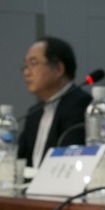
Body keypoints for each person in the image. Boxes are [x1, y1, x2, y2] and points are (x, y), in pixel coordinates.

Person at [17, 36, 92, 168]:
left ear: (58, 69)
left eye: (33, 63)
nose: (26, 72)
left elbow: (70, 159)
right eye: (25, 66)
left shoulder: (81, 104)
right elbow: (20, 159)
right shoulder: (34, 113)